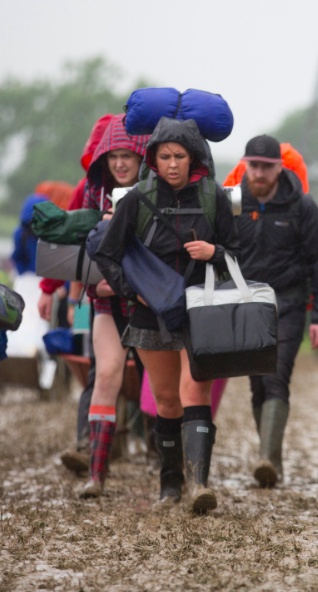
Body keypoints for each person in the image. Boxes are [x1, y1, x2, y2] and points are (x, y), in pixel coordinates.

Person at [96, 117, 239, 514]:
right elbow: (106, 254)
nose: (173, 164)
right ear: (153, 159)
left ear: (193, 159)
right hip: (150, 314)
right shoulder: (135, 200)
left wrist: (216, 253)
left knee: (195, 392)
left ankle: (198, 485)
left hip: (202, 312)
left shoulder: (214, 198)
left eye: (180, 156)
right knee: (165, 399)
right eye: (165, 156)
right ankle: (169, 485)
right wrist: (130, 292)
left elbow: (240, 255)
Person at [233, 134, 318, 489]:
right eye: (253, 165)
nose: (259, 173)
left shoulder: (302, 207)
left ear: (279, 168)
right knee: (257, 383)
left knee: (276, 375)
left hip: (288, 303)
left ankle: (265, 456)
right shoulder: (233, 202)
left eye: (266, 166)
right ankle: (271, 460)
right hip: (244, 304)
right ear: (245, 165)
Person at [67, 114, 150, 498]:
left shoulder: (159, 193)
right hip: (104, 303)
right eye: (113, 155)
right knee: (106, 376)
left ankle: (173, 474)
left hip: (150, 303)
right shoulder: (91, 193)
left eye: (127, 156)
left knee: (162, 392)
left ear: (141, 159)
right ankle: (96, 475)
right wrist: (80, 293)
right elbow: (78, 253)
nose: (119, 163)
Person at [38, 114, 112, 475]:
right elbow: (66, 241)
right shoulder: (87, 190)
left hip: (132, 297)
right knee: (89, 362)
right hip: (83, 299)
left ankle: (136, 438)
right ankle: (86, 441)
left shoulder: (146, 187)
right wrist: (55, 293)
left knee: (134, 372)